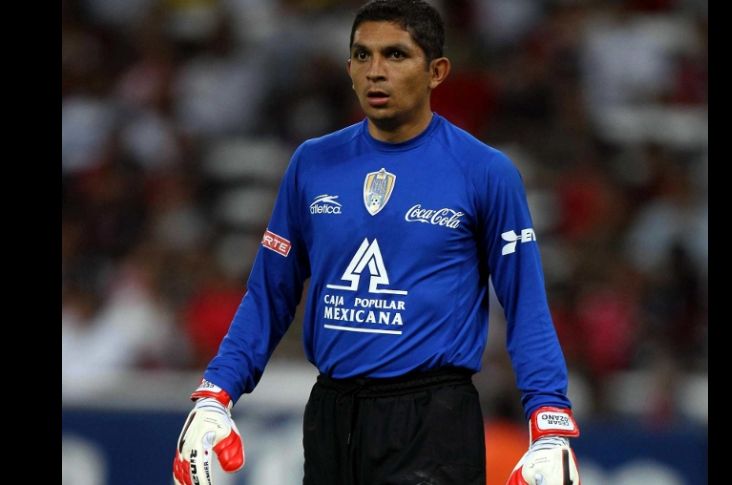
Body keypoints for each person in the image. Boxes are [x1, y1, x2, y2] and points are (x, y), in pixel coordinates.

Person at [172, 1, 581, 484]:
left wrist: (550, 424)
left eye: (396, 55)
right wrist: (215, 392)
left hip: (432, 423)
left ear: (436, 71)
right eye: (362, 56)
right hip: (330, 415)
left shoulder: (485, 172)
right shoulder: (311, 163)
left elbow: (526, 304)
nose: (375, 72)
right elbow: (269, 295)